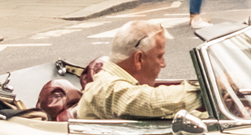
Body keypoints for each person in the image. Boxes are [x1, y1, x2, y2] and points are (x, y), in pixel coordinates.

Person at [76, 20, 204, 120]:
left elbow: (168, 114)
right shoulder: (108, 87)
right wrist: (210, 90)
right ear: (138, 59)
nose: (163, 64)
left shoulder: (117, 83)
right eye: (159, 56)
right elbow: (152, 102)